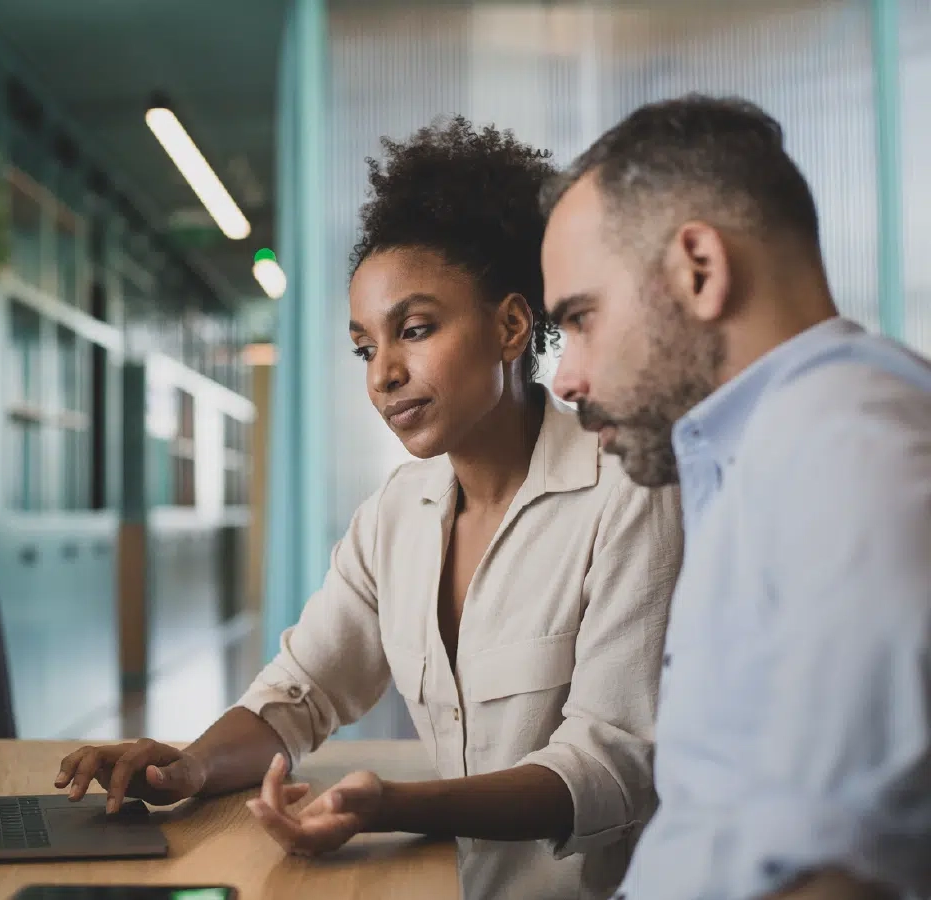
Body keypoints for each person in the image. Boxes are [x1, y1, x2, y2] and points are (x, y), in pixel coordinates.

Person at [55, 116, 684, 900]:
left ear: (511, 326)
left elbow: (609, 766)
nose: (384, 375)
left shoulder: (626, 491)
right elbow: (301, 691)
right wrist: (189, 766)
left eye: (414, 331)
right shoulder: (397, 512)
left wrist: (393, 806)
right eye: (365, 348)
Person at [539, 93, 931, 900]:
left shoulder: (845, 446)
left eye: (581, 318)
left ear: (699, 270)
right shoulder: (761, 450)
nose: (568, 377)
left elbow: (845, 872)